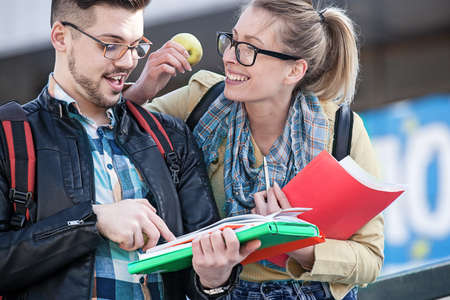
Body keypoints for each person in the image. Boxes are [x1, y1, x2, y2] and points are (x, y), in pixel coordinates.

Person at [125, 0, 385, 299]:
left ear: (294, 70)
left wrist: (298, 244)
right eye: (233, 40)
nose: (230, 57)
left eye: (250, 49)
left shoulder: (341, 131)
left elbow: (370, 259)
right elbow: (110, 133)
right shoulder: (200, 100)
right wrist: (142, 89)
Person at [0, 1, 255, 299]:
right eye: (111, 45)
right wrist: (92, 222)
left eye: (136, 45)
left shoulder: (171, 137)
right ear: (61, 37)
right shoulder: (8, 135)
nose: (128, 61)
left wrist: (214, 278)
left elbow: (202, 278)